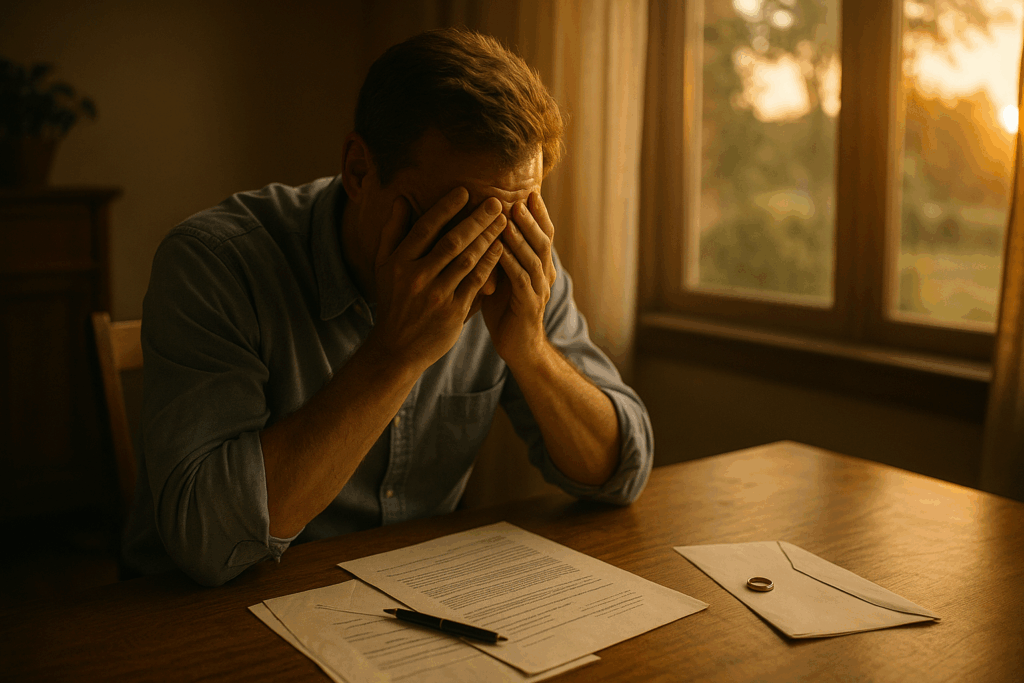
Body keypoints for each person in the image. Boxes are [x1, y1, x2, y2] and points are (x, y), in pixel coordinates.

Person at [122, 28, 654, 586]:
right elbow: (206, 540)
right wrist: (395, 355)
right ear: (358, 170)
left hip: (412, 606)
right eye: (456, 220)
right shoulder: (215, 263)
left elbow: (620, 474)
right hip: (203, 614)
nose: (486, 253)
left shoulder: (516, 262)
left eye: (513, 217)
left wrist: (531, 350)